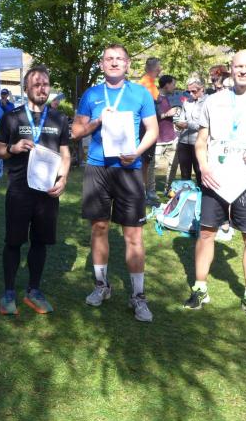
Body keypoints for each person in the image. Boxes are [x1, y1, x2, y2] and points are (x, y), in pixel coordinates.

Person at [184, 49, 246, 319]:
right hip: (215, 177)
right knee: (206, 233)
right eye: (238, 66)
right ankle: (200, 288)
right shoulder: (213, 100)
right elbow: (201, 141)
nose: (243, 70)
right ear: (231, 67)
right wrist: (203, 166)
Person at [71, 43, 158, 322]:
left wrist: (138, 152)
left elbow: (153, 130)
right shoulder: (92, 94)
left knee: (133, 235)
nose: (114, 62)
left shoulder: (140, 93)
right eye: (109, 58)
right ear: (101, 64)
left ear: (128, 64)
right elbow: (76, 132)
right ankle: (101, 286)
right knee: (99, 228)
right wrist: (97, 122)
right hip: (98, 167)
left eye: (120, 58)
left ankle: (138, 296)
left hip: (129, 169)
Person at [0, 65, 71, 315]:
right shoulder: (12, 117)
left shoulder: (59, 119)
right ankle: (8, 292)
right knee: (13, 242)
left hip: (47, 192)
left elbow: (65, 154)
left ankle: (33, 291)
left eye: (45, 84)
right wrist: (13, 149)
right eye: (36, 84)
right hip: (19, 190)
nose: (41, 88)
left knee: (40, 242)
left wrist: (63, 179)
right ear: (26, 87)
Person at [170, 78, 206, 183]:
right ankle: (186, 193)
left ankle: (202, 192)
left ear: (202, 89)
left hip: (199, 143)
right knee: (184, 174)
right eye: (188, 91)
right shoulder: (186, 102)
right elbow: (181, 119)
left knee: (200, 173)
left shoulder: (208, 102)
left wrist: (187, 125)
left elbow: (205, 125)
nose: (190, 94)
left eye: (193, 91)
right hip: (184, 142)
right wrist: (178, 125)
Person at [152, 74, 179, 199]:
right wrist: (167, 114)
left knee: (172, 167)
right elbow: (152, 118)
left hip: (171, 138)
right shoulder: (154, 98)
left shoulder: (168, 98)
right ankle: (150, 193)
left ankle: (168, 190)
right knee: (152, 169)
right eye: (173, 84)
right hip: (157, 140)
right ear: (167, 85)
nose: (175, 87)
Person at [139, 58, 161, 204]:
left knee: (147, 163)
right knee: (143, 163)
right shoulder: (145, 84)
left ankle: (145, 193)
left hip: (150, 130)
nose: (161, 70)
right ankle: (141, 195)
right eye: (160, 67)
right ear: (155, 68)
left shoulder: (151, 83)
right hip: (145, 130)